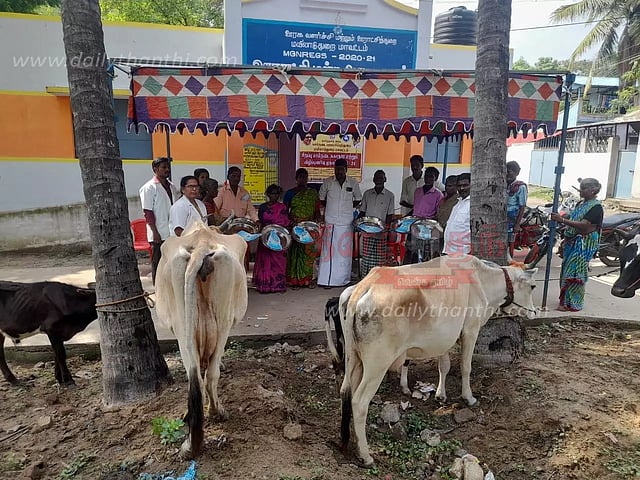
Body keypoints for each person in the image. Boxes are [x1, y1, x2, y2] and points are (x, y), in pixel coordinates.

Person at [551, 178, 604, 312]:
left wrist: (562, 220)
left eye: (584, 188)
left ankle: (574, 303)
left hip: (584, 242)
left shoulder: (596, 207)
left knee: (575, 272)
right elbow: (575, 217)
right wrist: (565, 218)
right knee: (566, 270)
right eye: (581, 188)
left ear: (593, 190)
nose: (581, 191)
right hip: (572, 241)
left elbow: (585, 226)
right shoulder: (581, 203)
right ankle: (565, 301)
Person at [318, 158, 362, 289]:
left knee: (344, 253)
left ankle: (343, 280)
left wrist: (345, 208)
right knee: (329, 253)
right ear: (334, 169)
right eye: (337, 169)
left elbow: (357, 199)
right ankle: (327, 281)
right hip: (331, 221)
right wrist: (332, 208)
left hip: (346, 222)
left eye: (341, 169)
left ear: (346, 169)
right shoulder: (328, 182)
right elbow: (321, 199)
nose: (339, 172)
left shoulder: (353, 182)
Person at [139, 157, 180, 284]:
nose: (167, 170)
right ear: (155, 169)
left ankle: (168, 285)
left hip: (171, 231)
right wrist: (154, 232)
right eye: (163, 167)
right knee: (158, 261)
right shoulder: (149, 188)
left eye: (168, 167)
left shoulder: (172, 186)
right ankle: (157, 286)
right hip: (158, 231)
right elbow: (148, 212)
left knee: (170, 260)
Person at [284, 168, 321, 289]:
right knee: (294, 254)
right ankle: (294, 281)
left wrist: (317, 221)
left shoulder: (313, 193)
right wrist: (291, 222)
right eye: (300, 177)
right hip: (295, 227)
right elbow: (285, 211)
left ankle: (306, 280)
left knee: (308, 254)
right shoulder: (290, 193)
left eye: (305, 177)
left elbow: (316, 210)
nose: (303, 179)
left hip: (309, 227)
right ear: (296, 179)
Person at [253, 184, 290, 293]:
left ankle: (278, 285)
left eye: (277, 193)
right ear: (268, 194)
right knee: (265, 261)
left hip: (279, 237)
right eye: (272, 193)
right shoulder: (263, 207)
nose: (274, 196)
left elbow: (286, 222)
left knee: (279, 261)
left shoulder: (282, 207)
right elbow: (260, 221)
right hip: (266, 237)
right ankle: (265, 285)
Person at [358, 170, 395, 277]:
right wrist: (357, 224)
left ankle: (377, 279)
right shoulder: (367, 194)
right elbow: (362, 212)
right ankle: (365, 278)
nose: (378, 180)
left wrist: (386, 229)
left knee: (379, 258)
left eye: (381, 178)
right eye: (376, 178)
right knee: (366, 257)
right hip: (367, 231)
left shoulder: (390, 195)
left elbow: (390, 215)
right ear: (373, 179)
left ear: (385, 179)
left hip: (381, 232)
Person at [404, 168, 444, 264]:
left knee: (424, 253)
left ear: (435, 178)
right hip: (414, 225)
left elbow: (438, 214)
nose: (428, 178)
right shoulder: (417, 191)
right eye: (426, 176)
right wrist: (405, 219)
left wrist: (427, 221)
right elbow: (415, 208)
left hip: (427, 227)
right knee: (411, 250)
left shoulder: (438, 195)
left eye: (431, 176)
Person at [443, 172, 471, 256]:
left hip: (463, 252)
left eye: (465, 185)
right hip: (449, 250)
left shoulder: (473, 204)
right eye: (459, 186)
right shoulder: (458, 202)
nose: (462, 188)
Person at [506, 161, 528, 256]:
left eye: (509, 172)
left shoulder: (520, 187)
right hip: (502, 218)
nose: (507, 174)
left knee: (510, 243)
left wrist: (517, 224)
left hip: (512, 219)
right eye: (506, 171)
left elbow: (522, 207)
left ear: (516, 173)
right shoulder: (503, 184)